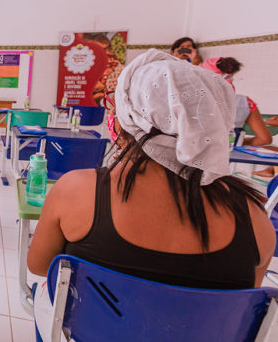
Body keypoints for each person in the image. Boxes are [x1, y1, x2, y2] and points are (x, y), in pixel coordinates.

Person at [28, 49, 274, 289]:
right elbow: (248, 297)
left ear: (129, 121)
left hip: (86, 329)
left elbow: (39, 266)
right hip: (203, 331)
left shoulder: (78, 189)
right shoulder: (253, 216)